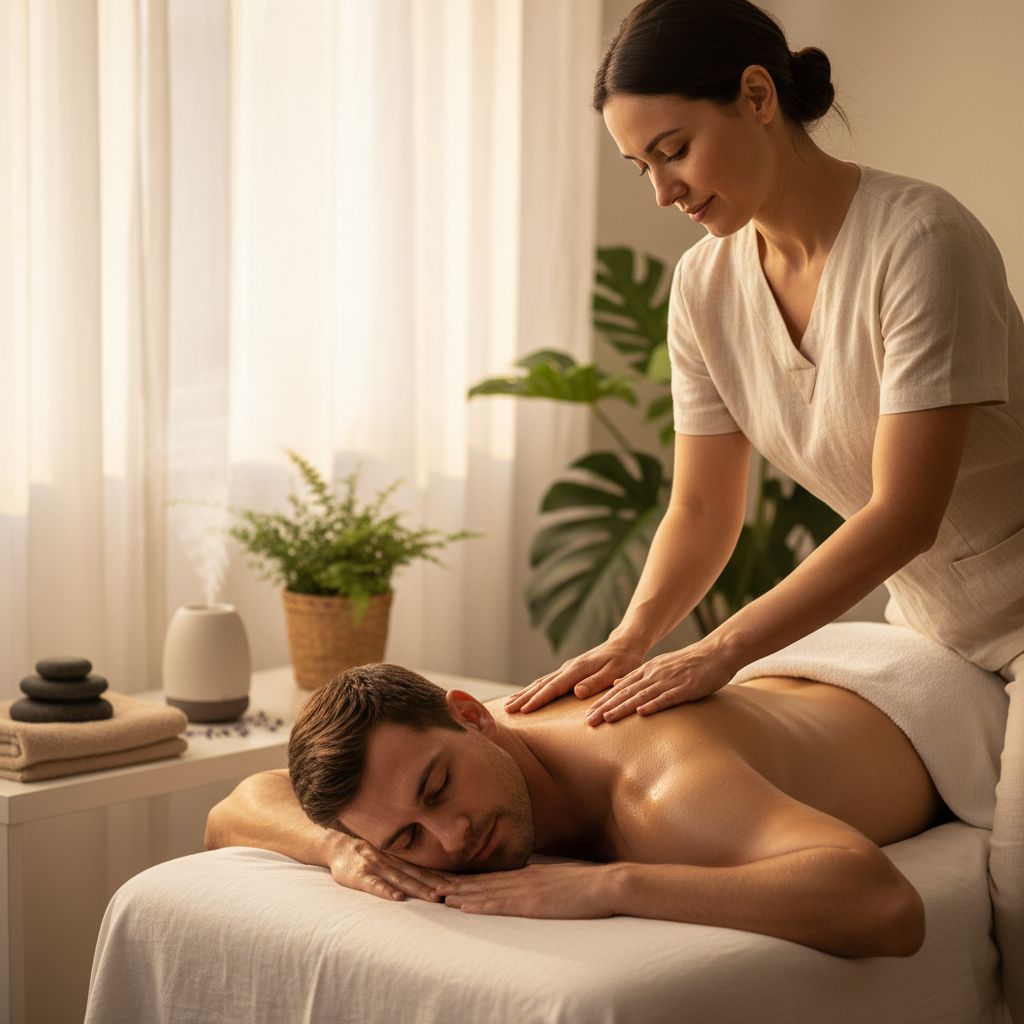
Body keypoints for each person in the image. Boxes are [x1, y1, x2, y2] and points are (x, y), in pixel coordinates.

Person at [499, 0, 1022, 1010]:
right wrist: (634, 638)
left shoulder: (921, 240)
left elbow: (904, 513)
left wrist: (719, 649)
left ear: (756, 95)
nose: (662, 190)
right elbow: (702, 508)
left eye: (673, 150)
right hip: (932, 627)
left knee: (1016, 884)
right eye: (639, 167)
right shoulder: (705, 287)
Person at [206, 661, 950, 959]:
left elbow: (886, 907)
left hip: (926, 695)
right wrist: (341, 849)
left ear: (472, 715)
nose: (451, 837)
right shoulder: (419, 765)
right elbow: (236, 808)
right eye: (407, 835)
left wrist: (610, 886)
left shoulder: (662, 792)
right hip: (780, 697)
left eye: (438, 789)